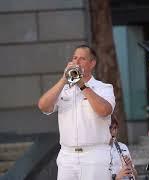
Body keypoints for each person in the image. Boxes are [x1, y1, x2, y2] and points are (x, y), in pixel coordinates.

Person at [38, 45, 115, 180]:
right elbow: (43, 106)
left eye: (82, 59)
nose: (77, 62)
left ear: (92, 64)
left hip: (94, 156)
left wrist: (82, 85)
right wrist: (63, 80)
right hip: (67, 157)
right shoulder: (64, 89)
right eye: (75, 58)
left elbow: (104, 111)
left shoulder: (104, 88)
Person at [109, 115, 138, 180]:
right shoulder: (101, 151)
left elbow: (136, 176)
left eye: (115, 128)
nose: (113, 132)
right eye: (110, 128)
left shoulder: (123, 147)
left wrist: (131, 167)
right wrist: (117, 177)